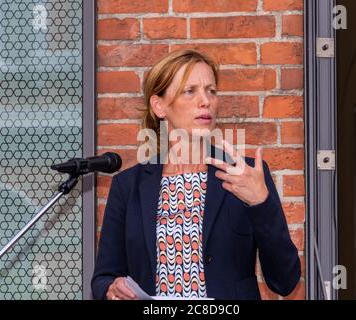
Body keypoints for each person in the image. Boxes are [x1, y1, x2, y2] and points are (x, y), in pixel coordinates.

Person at [91, 50, 300, 300]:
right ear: (159, 106)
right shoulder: (128, 186)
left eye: (211, 91)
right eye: (190, 91)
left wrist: (261, 203)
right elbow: (103, 278)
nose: (206, 101)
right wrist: (111, 289)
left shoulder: (244, 175)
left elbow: (285, 281)